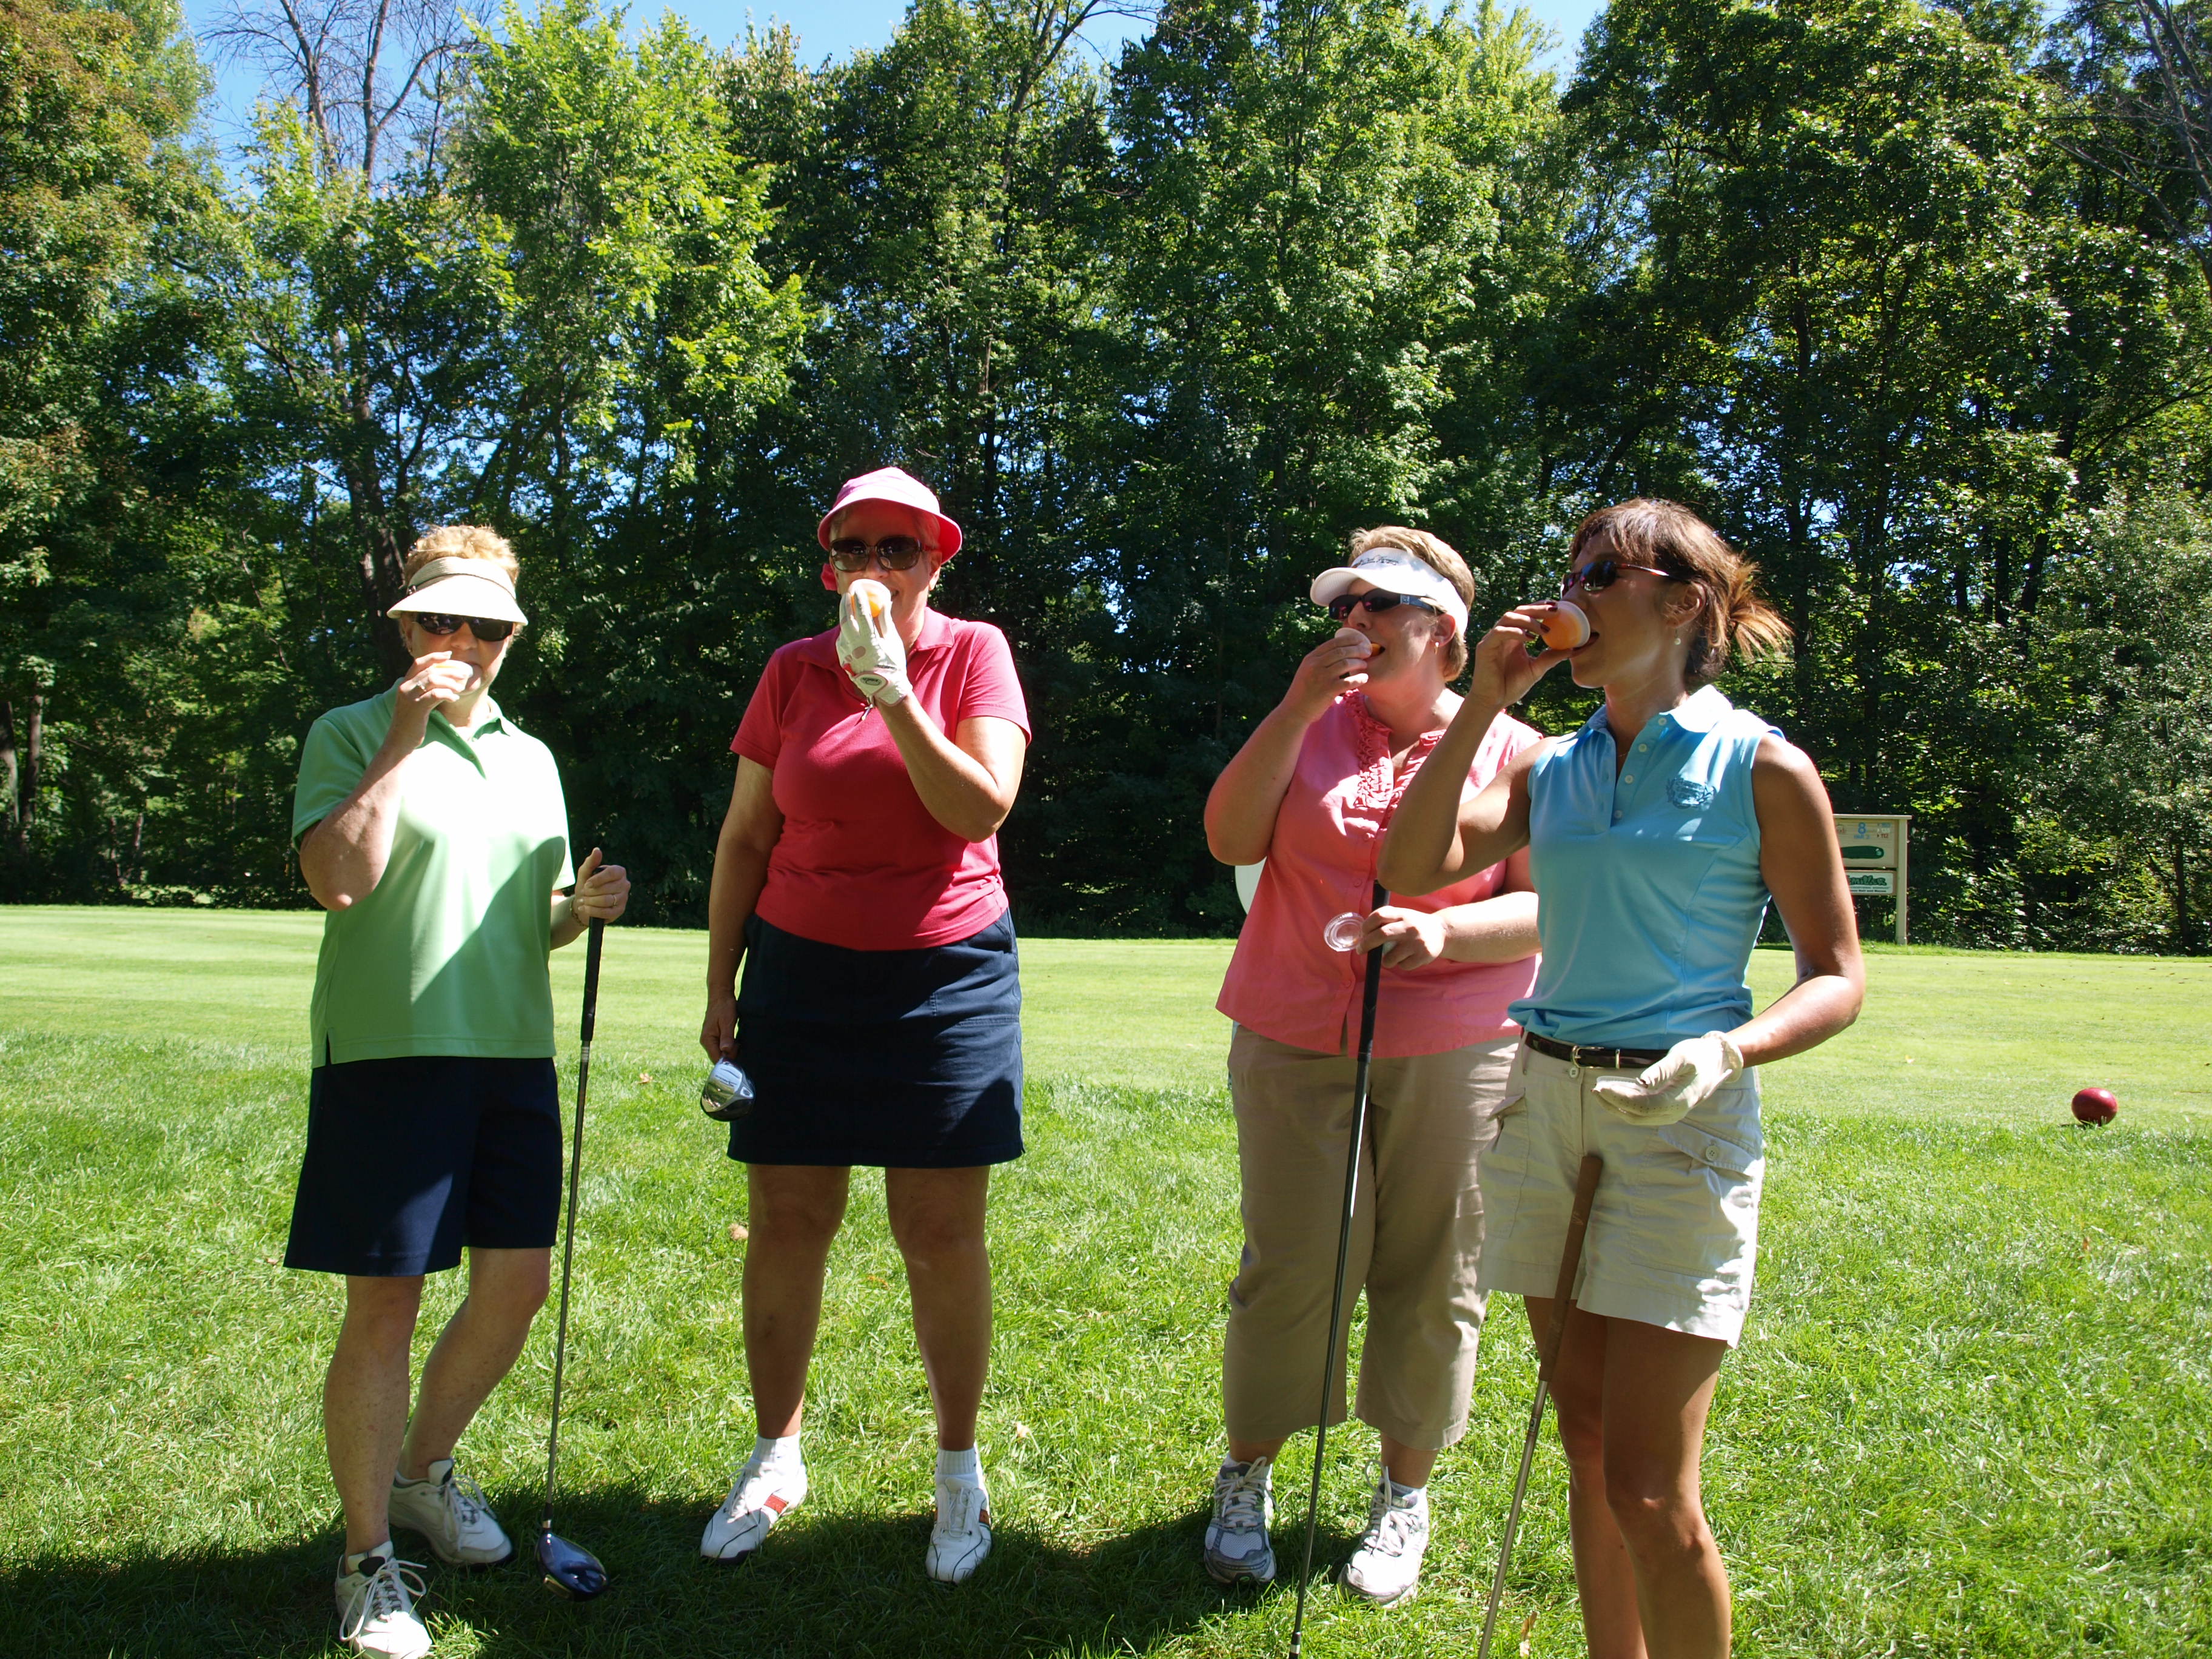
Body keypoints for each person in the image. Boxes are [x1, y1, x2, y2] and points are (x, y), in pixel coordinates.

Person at [1378, 499, 1863, 1659]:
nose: (1570, 594)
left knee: (1651, 1483)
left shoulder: (1764, 765)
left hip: (1682, 1116)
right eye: (1571, 572)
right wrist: (1484, 704)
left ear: (1683, 602)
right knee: (1587, 1441)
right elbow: (1410, 862)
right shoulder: (1558, 763)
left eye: (1601, 573)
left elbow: (1837, 975)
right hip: (1546, 1103)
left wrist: (1730, 1048)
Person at [288, 525, 630, 1659]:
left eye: (487, 627)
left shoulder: (534, 761)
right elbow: (341, 880)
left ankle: (424, 1472)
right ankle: (367, 1558)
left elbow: (526, 926)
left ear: (511, 639)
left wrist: (583, 908)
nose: (463, 643)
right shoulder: (348, 732)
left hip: (511, 1055)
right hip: (389, 1053)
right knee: (385, 1302)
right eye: (442, 621)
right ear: (407, 625)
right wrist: (403, 729)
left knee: (516, 1288)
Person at [695, 466, 1030, 1584]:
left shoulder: (972, 653)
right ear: (829, 564)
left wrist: (893, 693)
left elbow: (980, 805)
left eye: (901, 549)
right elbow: (747, 837)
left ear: (939, 558)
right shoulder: (791, 671)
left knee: (938, 1232)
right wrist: (720, 982)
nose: (876, 570)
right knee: (790, 1218)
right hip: (800, 971)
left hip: (947, 972)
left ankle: (956, 1471)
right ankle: (775, 1452)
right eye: (855, 551)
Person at [1199, 529, 1544, 1606]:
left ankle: (1404, 1492)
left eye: (1380, 608)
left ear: (1442, 632)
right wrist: (1298, 708)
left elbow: (1547, 902)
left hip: (1461, 1046)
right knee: (1293, 1265)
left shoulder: (1519, 752)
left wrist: (1450, 936)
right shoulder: (1309, 725)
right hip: (1295, 1031)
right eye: (1346, 607)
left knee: (1435, 1274)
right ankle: (1248, 1469)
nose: (1354, 624)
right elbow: (1227, 837)